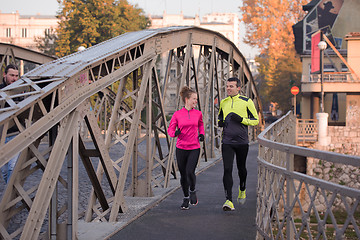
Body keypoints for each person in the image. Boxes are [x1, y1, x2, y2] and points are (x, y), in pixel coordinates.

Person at [218, 77, 259, 211]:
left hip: (242, 142)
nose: (228, 88)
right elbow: (220, 117)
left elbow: (256, 120)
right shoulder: (223, 102)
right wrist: (221, 123)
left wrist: (242, 119)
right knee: (227, 169)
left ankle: (242, 189)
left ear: (238, 88)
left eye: (231, 86)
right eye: (227, 86)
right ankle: (228, 200)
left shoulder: (247, 101)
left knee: (241, 168)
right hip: (227, 141)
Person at [168, 86, 205, 210]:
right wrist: (175, 133)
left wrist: (202, 134)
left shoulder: (198, 113)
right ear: (187, 99)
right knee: (183, 175)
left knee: (190, 171)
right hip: (181, 148)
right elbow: (170, 129)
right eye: (194, 99)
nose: (196, 101)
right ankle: (185, 197)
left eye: (196, 99)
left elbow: (201, 124)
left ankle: (193, 190)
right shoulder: (177, 114)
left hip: (194, 147)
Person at [1, 64, 20, 183]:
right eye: (11, 75)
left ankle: (10, 200)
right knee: (4, 170)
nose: (14, 78)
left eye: (16, 76)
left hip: (15, 133)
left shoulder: (21, 90)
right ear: (4, 75)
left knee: (12, 168)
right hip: (1, 135)